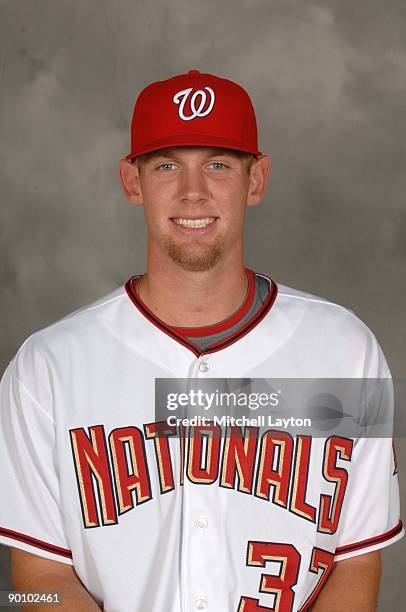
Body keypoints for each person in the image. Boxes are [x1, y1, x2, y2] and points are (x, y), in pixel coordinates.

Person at [0, 69, 403, 612]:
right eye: (167, 165)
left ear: (256, 180)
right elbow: (38, 577)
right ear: (132, 181)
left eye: (218, 164)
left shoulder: (346, 351)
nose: (193, 192)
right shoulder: (47, 368)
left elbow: (357, 562)